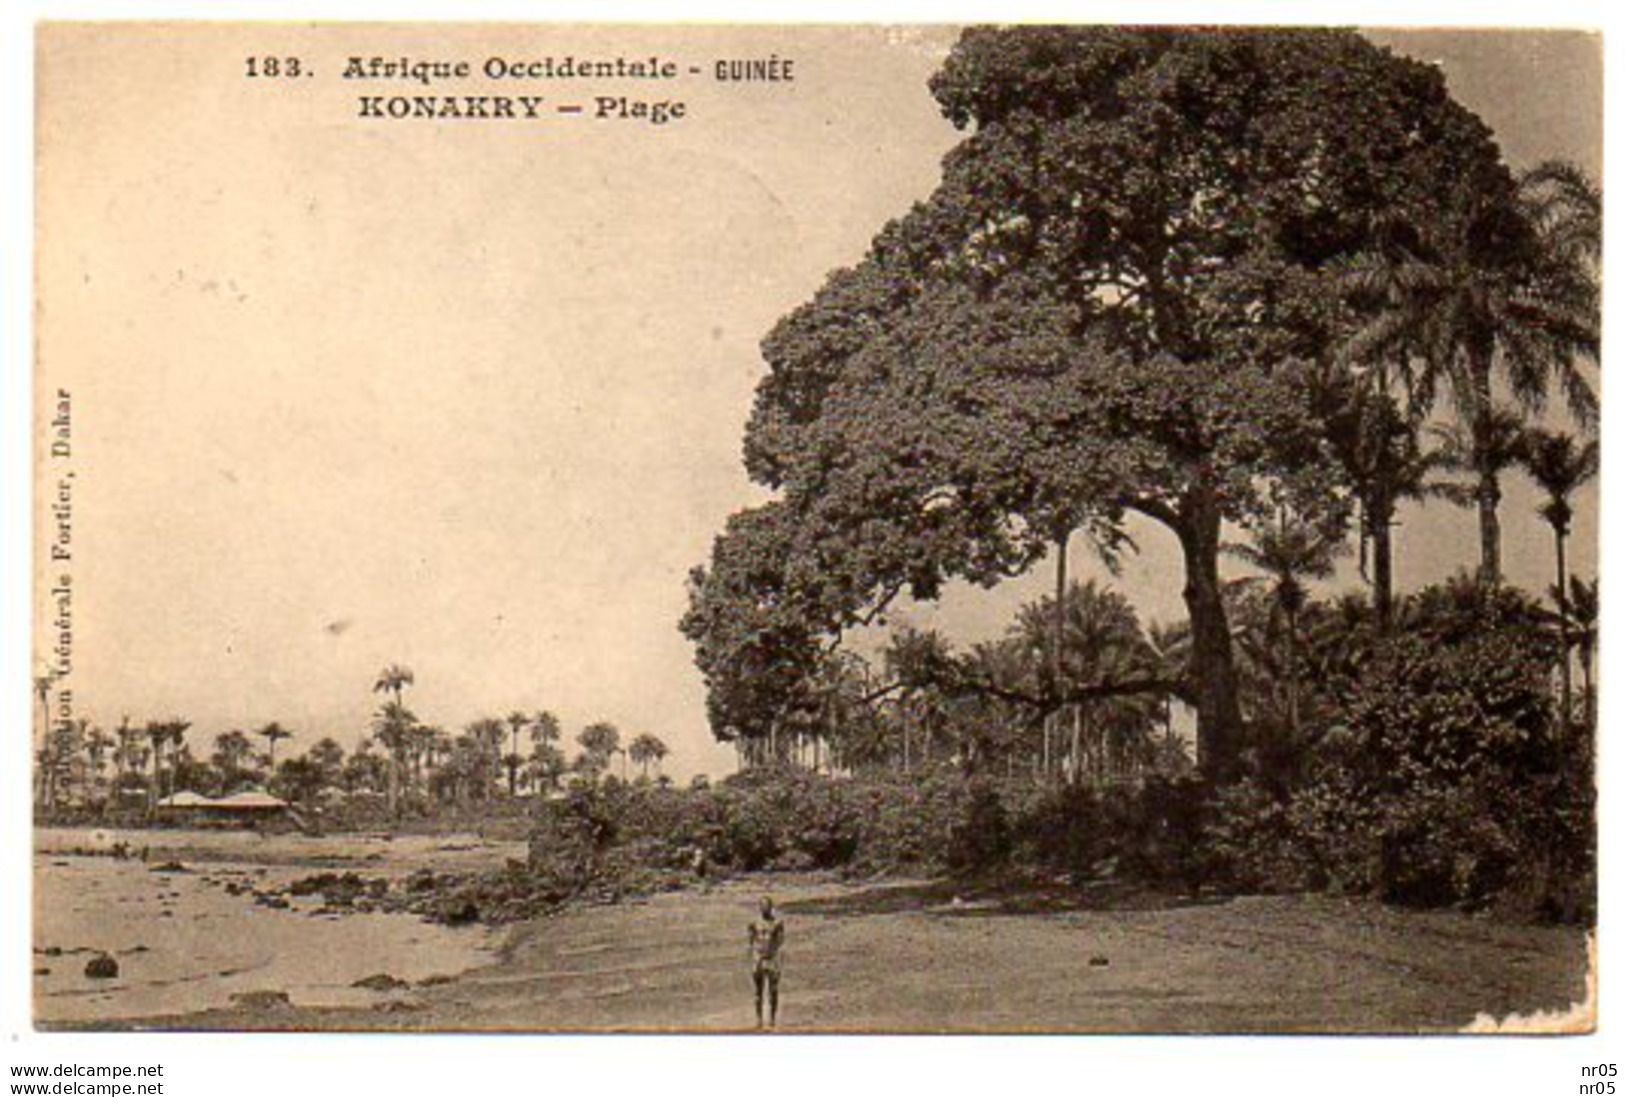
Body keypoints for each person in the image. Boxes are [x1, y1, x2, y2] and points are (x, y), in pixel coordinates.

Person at [747, 896, 784, 1029]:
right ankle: (759, 1019)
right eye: (762, 906)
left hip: (772, 958)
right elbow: (751, 941)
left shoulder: (777, 923)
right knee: (758, 991)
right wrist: (754, 958)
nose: (765, 909)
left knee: (773, 990)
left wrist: (775, 957)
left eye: (767, 906)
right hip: (759, 958)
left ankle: (772, 1018)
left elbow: (780, 941)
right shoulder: (754, 923)